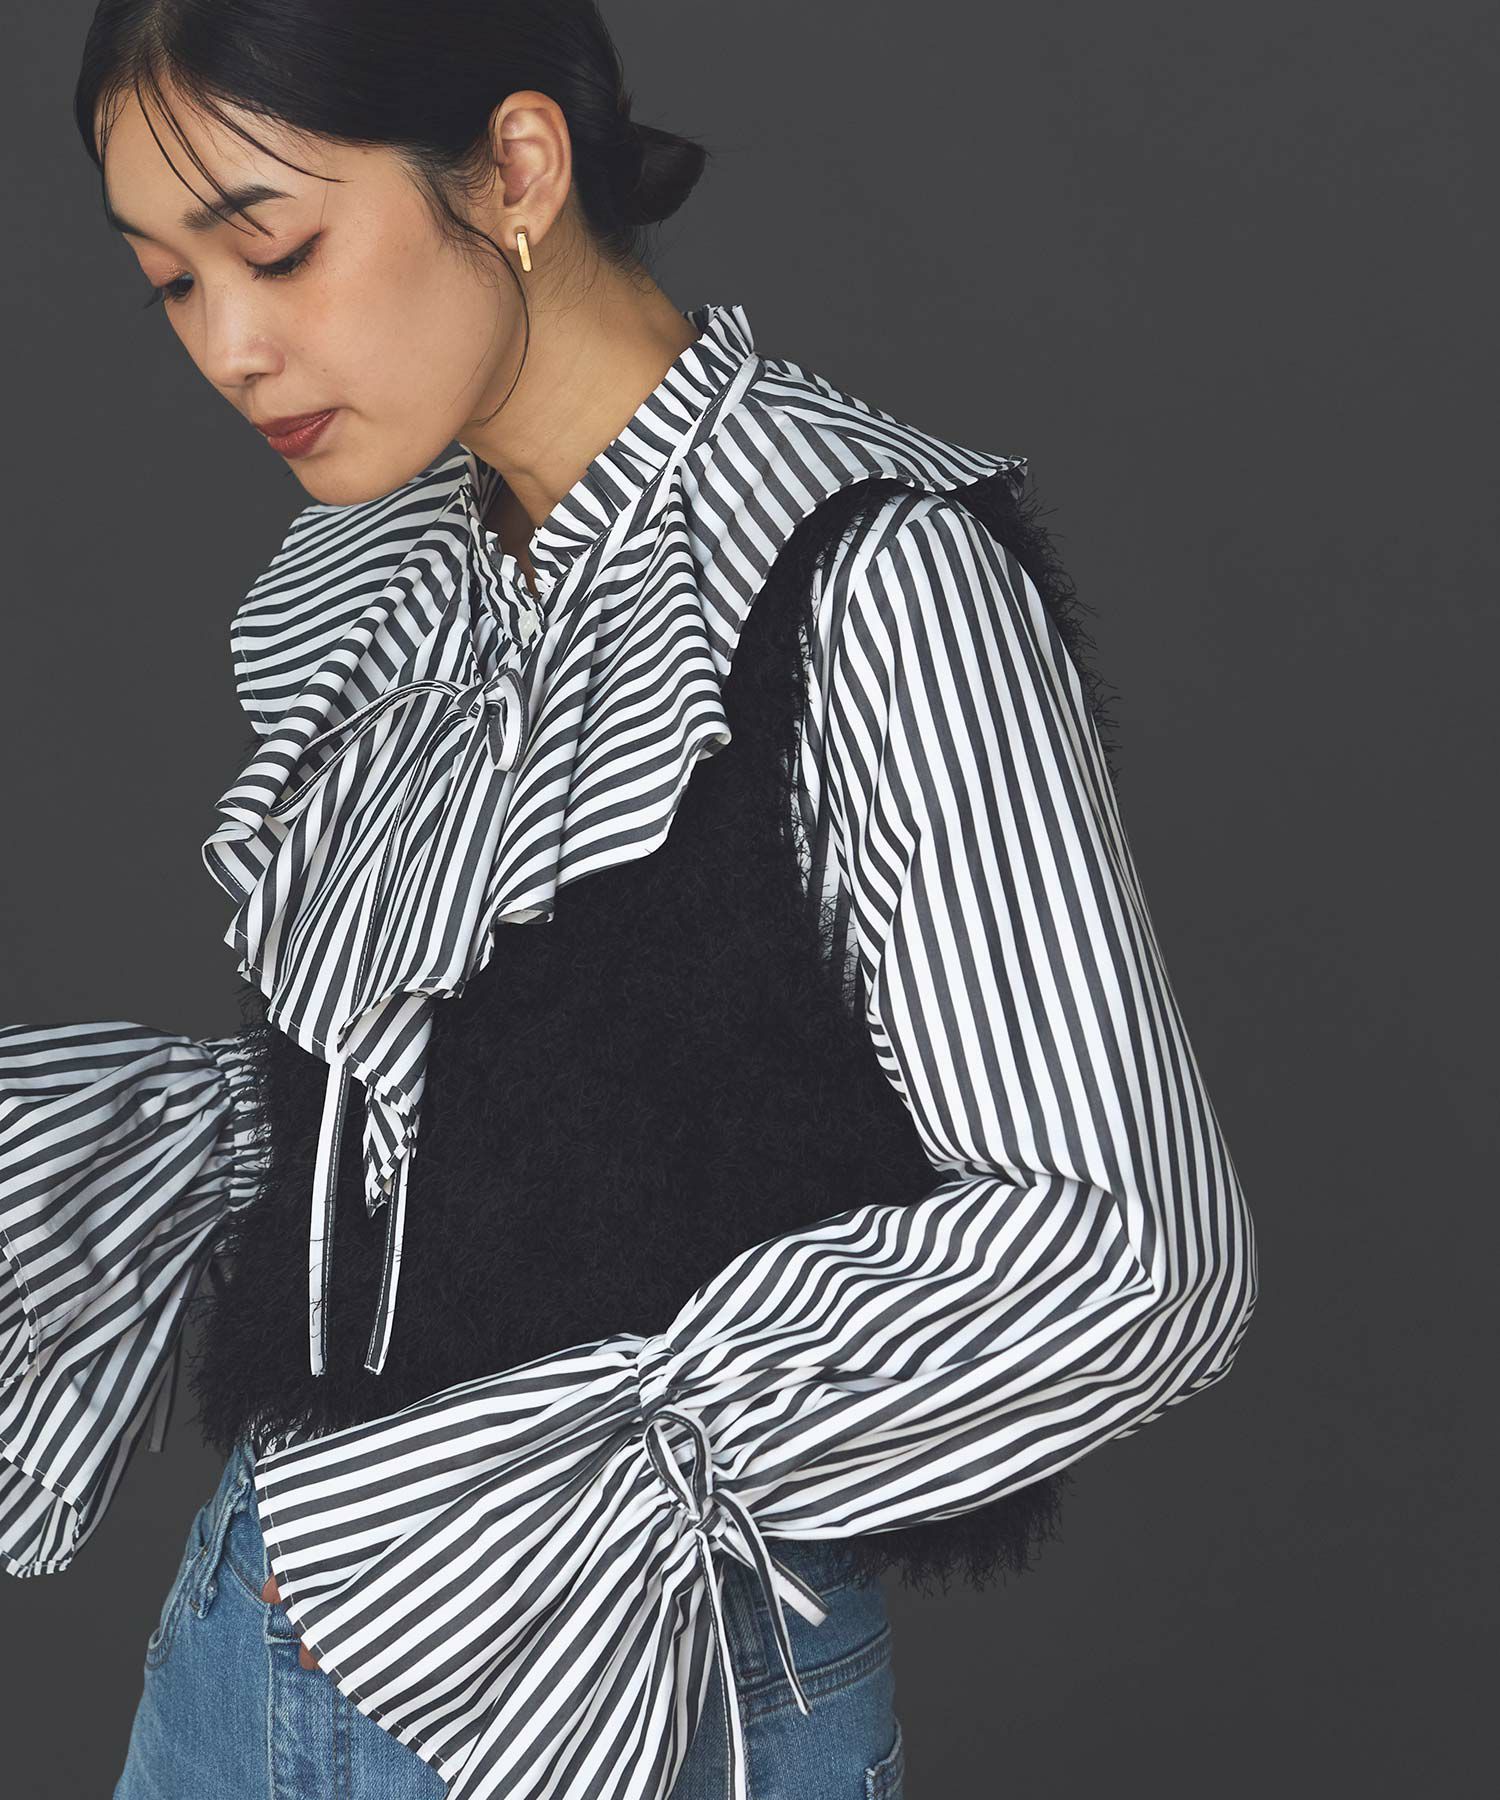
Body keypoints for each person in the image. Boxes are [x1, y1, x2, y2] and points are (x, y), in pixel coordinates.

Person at [0, 4, 1258, 1797]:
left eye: (274, 251)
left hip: (645, 1701)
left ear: (517, 168)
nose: (230, 345)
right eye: (170, 286)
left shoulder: (870, 580)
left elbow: (1129, 1249)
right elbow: (469, 1121)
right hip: (239, 1665)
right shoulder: (406, 572)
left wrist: (583, 1473)